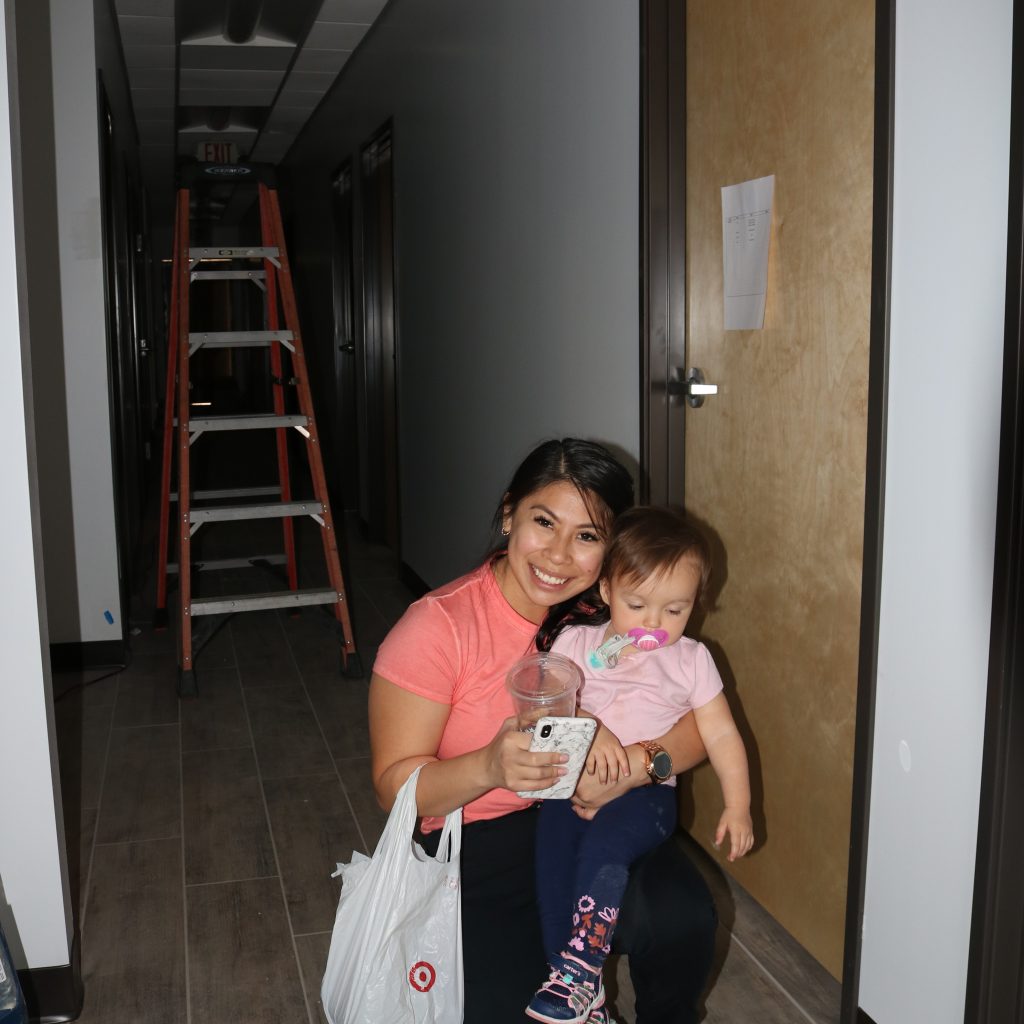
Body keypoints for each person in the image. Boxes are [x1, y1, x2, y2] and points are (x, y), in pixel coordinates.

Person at [368, 439, 718, 1024]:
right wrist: (488, 766)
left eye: (586, 536)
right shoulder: (439, 627)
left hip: (595, 814)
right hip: (476, 839)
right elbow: (391, 786)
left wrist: (634, 764)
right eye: (543, 522)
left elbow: (700, 727)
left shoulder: (614, 617)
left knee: (682, 917)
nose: (559, 555)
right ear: (509, 515)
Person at [525, 505, 753, 1023]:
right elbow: (549, 706)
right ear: (605, 590)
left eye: (674, 610)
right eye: (637, 604)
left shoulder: (691, 659)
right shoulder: (576, 644)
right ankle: (577, 991)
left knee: (604, 854)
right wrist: (591, 725)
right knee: (554, 873)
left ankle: (584, 964)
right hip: (571, 788)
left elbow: (720, 732)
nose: (653, 624)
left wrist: (738, 805)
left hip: (645, 796)